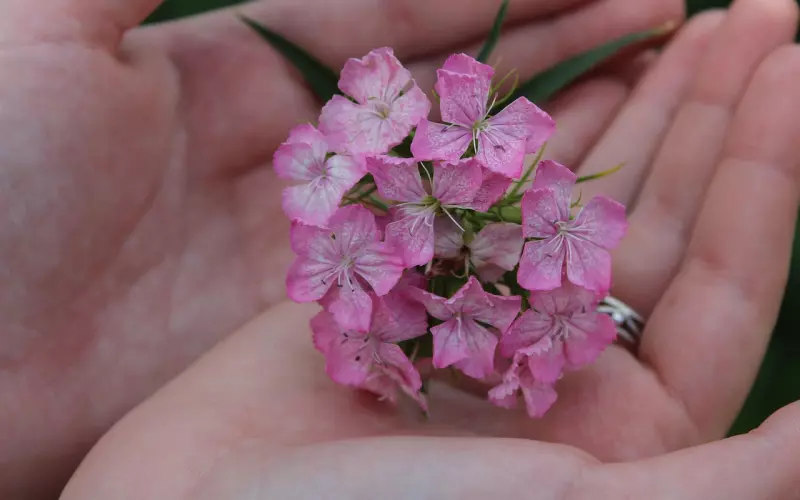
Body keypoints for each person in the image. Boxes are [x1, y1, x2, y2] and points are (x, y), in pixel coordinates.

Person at [1, 0, 800, 497]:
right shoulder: (376, 192)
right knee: (394, 257)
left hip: (474, 246)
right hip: (424, 230)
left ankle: (516, 342)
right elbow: (408, 233)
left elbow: (476, 240)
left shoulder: (491, 218)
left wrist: (519, 298)